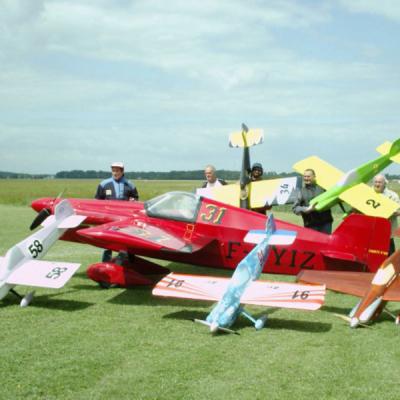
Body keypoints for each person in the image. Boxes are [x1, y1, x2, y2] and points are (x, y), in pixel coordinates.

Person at [95, 162, 139, 262]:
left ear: (122, 172)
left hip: (125, 219)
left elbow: (136, 199)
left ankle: (125, 263)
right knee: (107, 241)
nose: (115, 173)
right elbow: (97, 201)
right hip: (108, 217)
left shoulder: (130, 184)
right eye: (113, 170)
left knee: (125, 240)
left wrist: (133, 201)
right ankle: (106, 263)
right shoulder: (104, 184)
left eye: (117, 171)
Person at [292, 168, 333, 234]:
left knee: (325, 244)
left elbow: (332, 198)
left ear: (314, 177)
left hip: (326, 223)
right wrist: (307, 209)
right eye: (304, 176)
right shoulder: (301, 191)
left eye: (308, 176)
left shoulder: (323, 188)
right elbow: (295, 208)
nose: (306, 178)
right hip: (311, 225)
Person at [372, 174, 400, 255]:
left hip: (387, 231)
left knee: (389, 255)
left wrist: (392, 212)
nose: (377, 184)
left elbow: (399, 211)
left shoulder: (393, 195)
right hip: (372, 230)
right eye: (376, 182)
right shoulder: (368, 193)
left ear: (385, 183)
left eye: (380, 182)